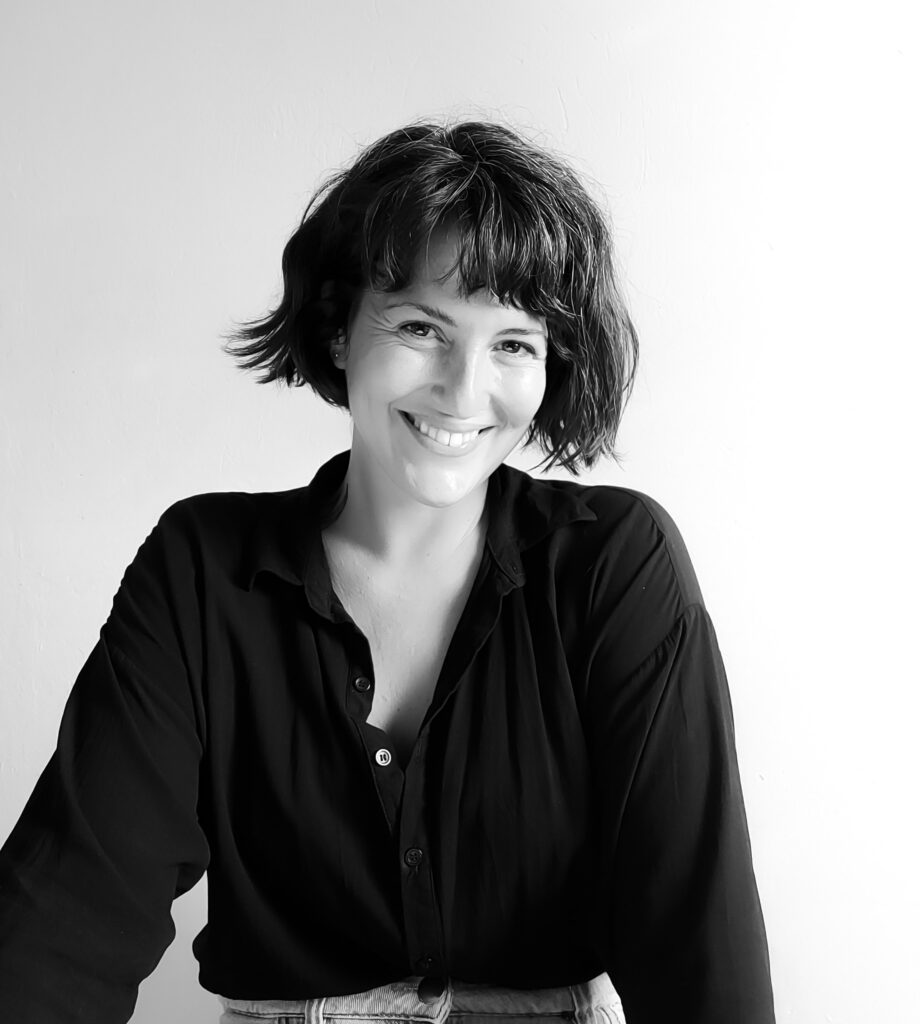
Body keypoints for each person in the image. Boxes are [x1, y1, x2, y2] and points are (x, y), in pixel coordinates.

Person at [0, 121, 774, 1024]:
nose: (464, 389)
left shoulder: (617, 564)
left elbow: (697, 941)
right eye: (420, 327)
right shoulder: (202, 570)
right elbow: (65, 919)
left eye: (514, 344)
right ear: (339, 331)